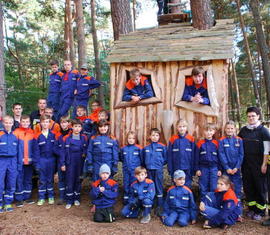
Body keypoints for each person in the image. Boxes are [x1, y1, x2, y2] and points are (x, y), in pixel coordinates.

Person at [238, 107, 270, 220]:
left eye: (253, 116)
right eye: (249, 116)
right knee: (248, 186)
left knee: (260, 187)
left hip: (259, 164)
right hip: (246, 164)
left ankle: (260, 211)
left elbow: (267, 149)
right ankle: (251, 208)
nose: (251, 118)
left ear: (258, 116)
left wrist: (264, 164)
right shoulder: (243, 131)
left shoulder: (263, 131)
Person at [60, 119, 88, 209]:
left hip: (80, 162)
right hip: (70, 162)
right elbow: (63, 152)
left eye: (79, 126)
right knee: (70, 181)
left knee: (78, 180)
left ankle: (76, 198)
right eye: (75, 126)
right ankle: (69, 200)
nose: (77, 128)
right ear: (71, 127)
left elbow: (86, 151)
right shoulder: (67, 138)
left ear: (81, 128)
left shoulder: (84, 138)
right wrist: (63, 164)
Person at [33, 114, 57, 206]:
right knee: (42, 180)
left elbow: (57, 149)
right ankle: (41, 197)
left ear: (49, 123)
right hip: (42, 160)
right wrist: (37, 164)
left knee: (50, 179)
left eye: (47, 122)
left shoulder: (54, 135)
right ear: (40, 123)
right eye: (43, 122)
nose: (45, 124)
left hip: (52, 160)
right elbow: (36, 151)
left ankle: (51, 196)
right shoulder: (37, 136)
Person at [0, 115, 22, 212]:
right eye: (6, 122)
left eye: (10, 123)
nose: (8, 124)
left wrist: (19, 165)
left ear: (12, 124)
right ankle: (0, 203)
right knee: (0, 183)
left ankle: (8, 203)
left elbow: (19, 152)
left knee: (11, 182)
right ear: (3, 123)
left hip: (13, 161)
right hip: (1, 160)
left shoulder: (15, 137)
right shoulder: (0, 134)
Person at [142, 128, 167, 214]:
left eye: (157, 135)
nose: (155, 137)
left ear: (159, 136)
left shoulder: (162, 147)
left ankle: (159, 206)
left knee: (159, 187)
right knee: (150, 187)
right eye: (153, 135)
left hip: (158, 170)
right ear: (150, 136)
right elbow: (143, 159)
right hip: (149, 170)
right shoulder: (146, 148)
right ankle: (151, 205)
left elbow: (165, 158)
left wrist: (159, 165)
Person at [13, 115, 35, 207]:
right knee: (19, 180)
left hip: (29, 162)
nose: (25, 123)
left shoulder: (32, 132)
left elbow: (34, 147)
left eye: (27, 122)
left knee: (28, 179)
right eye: (23, 122)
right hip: (19, 161)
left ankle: (27, 197)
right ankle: (19, 198)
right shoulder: (16, 132)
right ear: (20, 122)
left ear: (29, 122)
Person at [195, 123, 221, 198]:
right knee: (203, 187)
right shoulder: (200, 143)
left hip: (214, 168)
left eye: (211, 130)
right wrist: (197, 169)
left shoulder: (216, 143)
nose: (209, 132)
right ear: (203, 131)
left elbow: (219, 157)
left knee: (214, 187)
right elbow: (196, 157)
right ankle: (204, 205)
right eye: (207, 130)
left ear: (214, 132)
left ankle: (213, 204)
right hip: (203, 168)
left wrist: (220, 169)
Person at [219, 121, 244, 199]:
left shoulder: (239, 140)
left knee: (237, 186)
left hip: (236, 169)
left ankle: (237, 202)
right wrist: (227, 167)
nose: (230, 130)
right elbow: (221, 154)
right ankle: (226, 202)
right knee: (225, 185)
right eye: (228, 128)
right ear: (225, 130)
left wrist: (237, 167)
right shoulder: (222, 140)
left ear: (235, 129)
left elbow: (241, 154)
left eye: (231, 128)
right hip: (226, 169)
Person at [167, 119, 195, 188]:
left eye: (184, 126)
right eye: (180, 126)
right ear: (177, 127)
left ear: (186, 127)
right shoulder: (173, 139)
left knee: (187, 186)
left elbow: (194, 155)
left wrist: (193, 168)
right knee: (176, 185)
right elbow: (169, 155)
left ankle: (187, 198)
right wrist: (170, 168)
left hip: (188, 168)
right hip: (176, 168)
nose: (182, 128)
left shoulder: (191, 139)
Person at [120, 131, 143, 204]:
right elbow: (121, 158)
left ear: (135, 139)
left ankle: (134, 199)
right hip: (126, 170)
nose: (131, 140)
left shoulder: (139, 148)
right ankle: (126, 198)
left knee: (134, 184)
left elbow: (142, 159)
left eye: (133, 138)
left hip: (135, 171)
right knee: (126, 183)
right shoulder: (123, 148)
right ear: (127, 139)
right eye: (129, 138)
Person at [54, 116, 71, 205]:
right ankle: (61, 196)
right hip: (60, 159)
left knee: (69, 178)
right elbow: (55, 148)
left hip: (70, 160)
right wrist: (61, 154)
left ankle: (69, 195)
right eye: (62, 123)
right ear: (60, 124)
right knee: (61, 178)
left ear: (68, 123)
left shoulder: (72, 133)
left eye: (65, 122)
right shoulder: (57, 134)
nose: (63, 124)